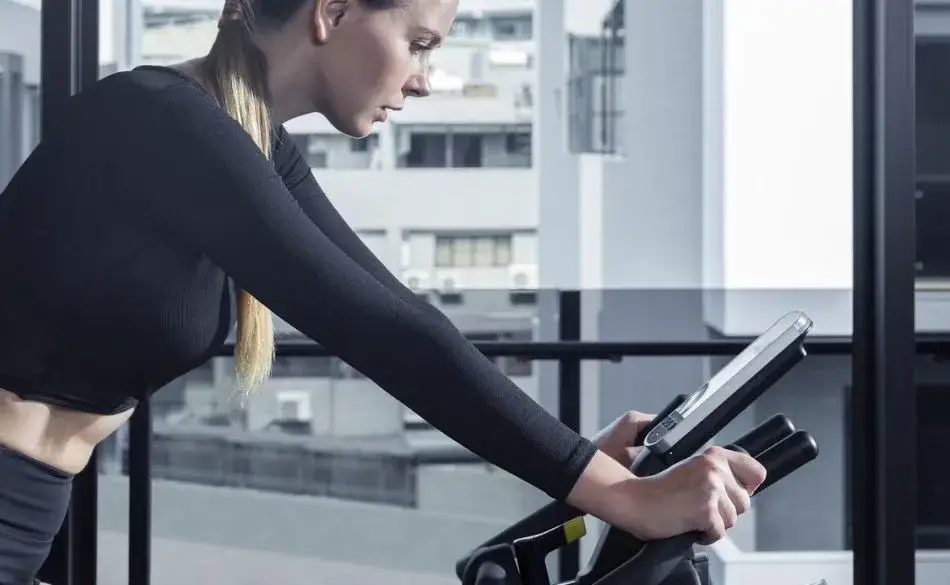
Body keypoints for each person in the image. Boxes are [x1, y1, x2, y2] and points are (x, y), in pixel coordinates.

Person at [0, 0, 766, 582]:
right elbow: (380, 333)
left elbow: (400, 311)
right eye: (419, 42)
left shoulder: (254, 143)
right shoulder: (160, 120)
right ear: (331, 12)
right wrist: (622, 497)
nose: (425, 80)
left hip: (30, 508)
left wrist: (590, 467)